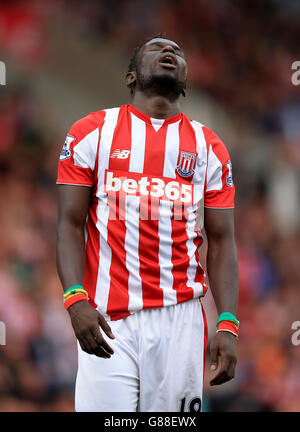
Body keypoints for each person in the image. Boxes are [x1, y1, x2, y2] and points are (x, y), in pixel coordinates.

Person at [56, 36, 239, 412]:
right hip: (107, 319)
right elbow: (69, 224)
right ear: (130, 76)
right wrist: (75, 299)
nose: (170, 51)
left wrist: (227, 323)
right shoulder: (91, 132)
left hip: (181, 321)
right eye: (157, 48)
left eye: (179, 50)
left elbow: (222, 242)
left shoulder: (210, 147)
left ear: (186, 83)